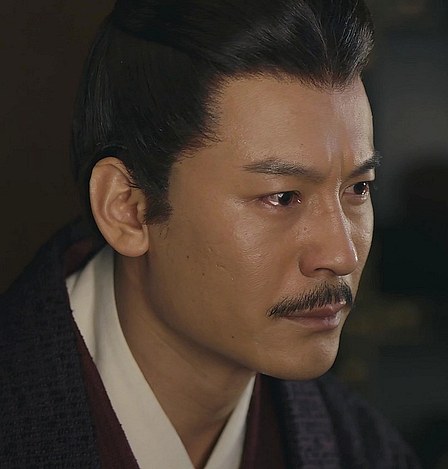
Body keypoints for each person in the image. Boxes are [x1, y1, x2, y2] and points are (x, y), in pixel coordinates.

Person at [0, 0, 422, 467]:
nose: (341, 255)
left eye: (358, 188)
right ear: (128, 209)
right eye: (282, 197)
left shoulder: (363, 450)